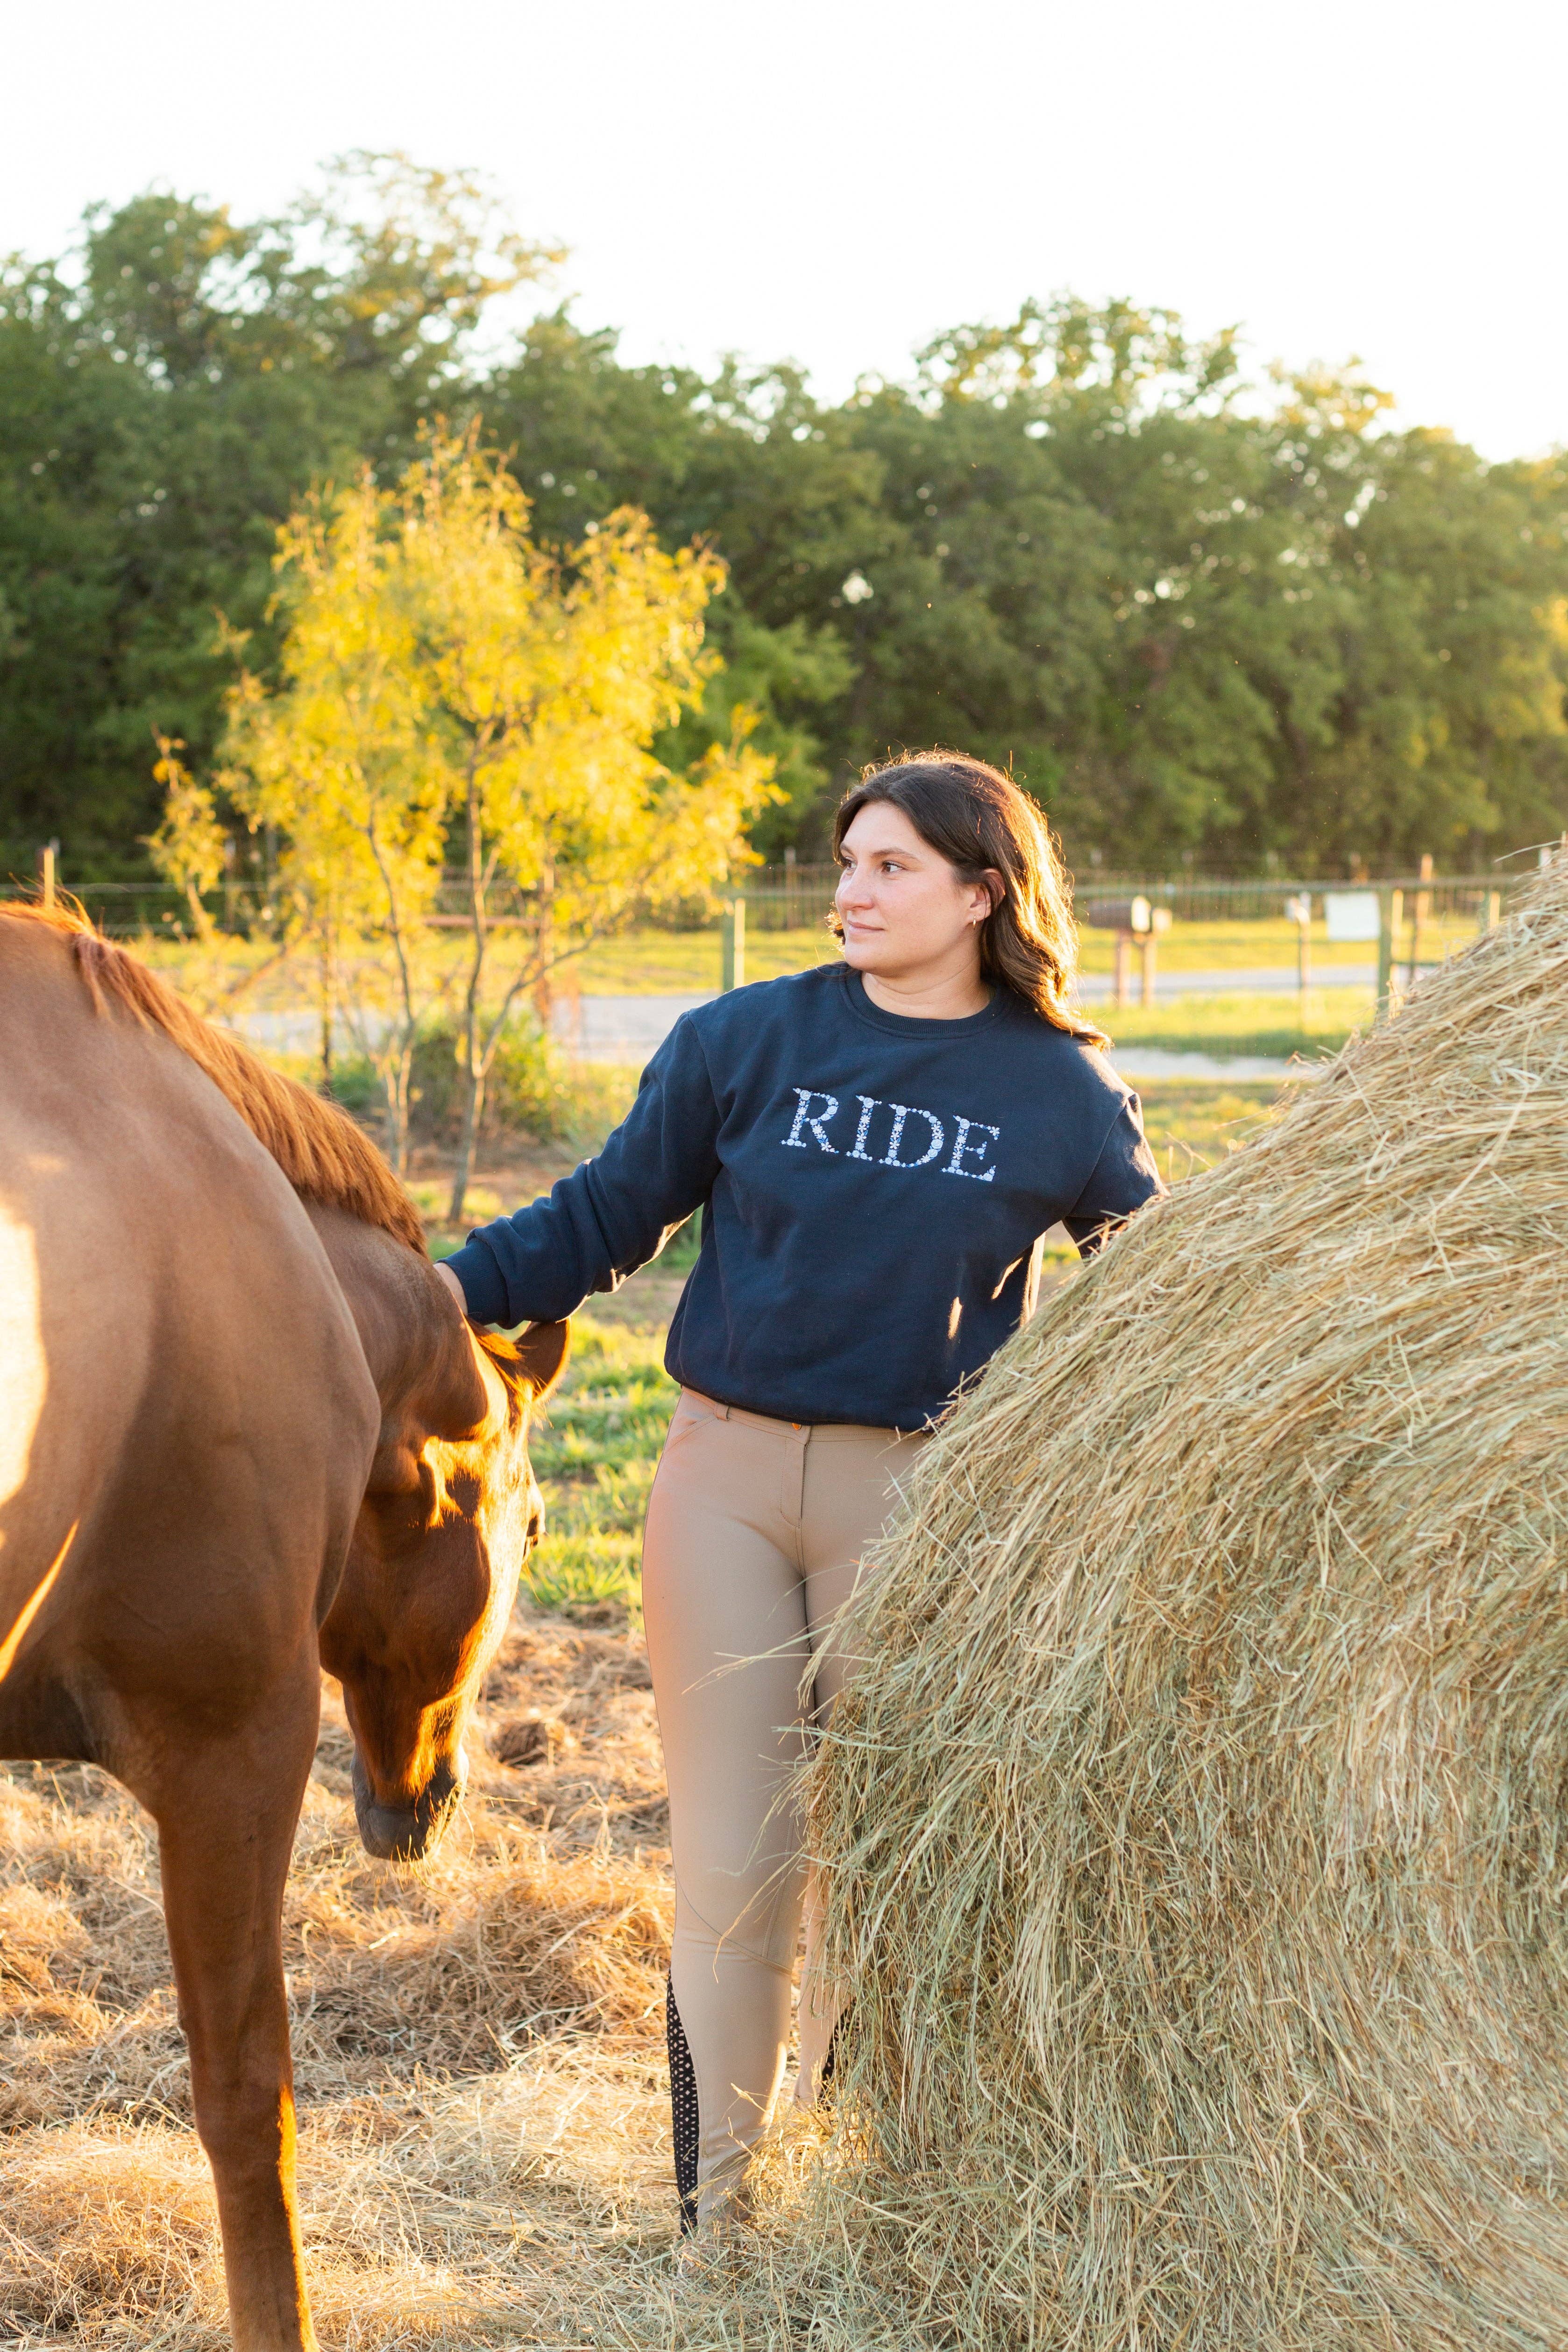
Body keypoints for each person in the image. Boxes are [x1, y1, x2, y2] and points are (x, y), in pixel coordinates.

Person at [435, 752, 1164, 2233]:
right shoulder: (745, 1041)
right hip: (724, 1482)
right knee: (736, 1869)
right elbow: (600, 1221)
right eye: (846, 862)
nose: (851, 890)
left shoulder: (1066, 1093)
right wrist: (422, 1294)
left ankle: (857, 2203)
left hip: (917, 1508)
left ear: (982, 891)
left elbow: (1159, 1310)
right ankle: (718, 2233)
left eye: (891, 866)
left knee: (885, 1872)